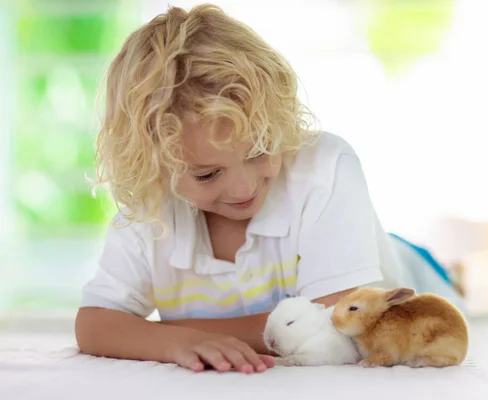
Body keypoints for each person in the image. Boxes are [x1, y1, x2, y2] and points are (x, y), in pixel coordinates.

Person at [75, 4, 464, 374]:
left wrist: (159, 332)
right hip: (335, 253)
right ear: (155, 169)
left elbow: (339, 329)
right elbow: (93, 324)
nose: (244, 187)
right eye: (208, 174)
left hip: (407, 277)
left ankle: (452, 271)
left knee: (436, 295)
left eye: (261, 148)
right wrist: (173, 343)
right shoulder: (150, 206)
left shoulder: (325, 166)